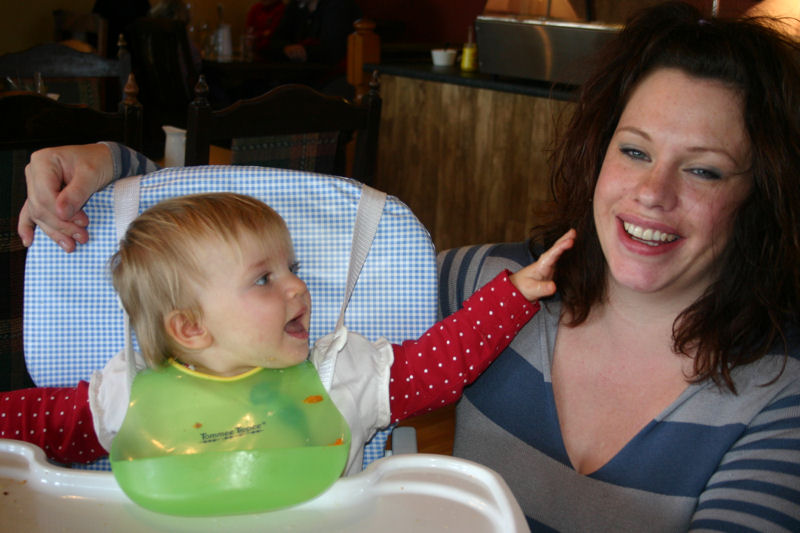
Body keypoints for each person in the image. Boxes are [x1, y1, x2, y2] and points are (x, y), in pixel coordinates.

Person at [14, 2, 800, 529]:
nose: (653, 193)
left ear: (760, 194)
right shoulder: (478, 280)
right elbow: (217, 262)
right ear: (599, 155)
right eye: (634, 151)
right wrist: (113, 171)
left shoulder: (781, 397)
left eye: (703, 169)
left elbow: (418, 360)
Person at [2, 190, 574, 474]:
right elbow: (40, 422)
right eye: (264, 278)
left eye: (292, 268)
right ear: (191, 327)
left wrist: (512, 295)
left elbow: (434, 366)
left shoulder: (338, 377)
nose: (298, 287)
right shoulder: (130, 395)